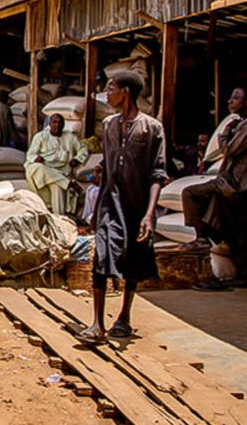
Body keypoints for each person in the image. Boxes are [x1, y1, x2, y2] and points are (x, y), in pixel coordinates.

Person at [77, 71, 167, 345]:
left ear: (126, 92)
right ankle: (96, 323)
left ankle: (124, 317)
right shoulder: (108, 125)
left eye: (111, 88)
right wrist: (95, 206)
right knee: (100, 258)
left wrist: (149, 215)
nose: (107, 93)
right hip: (109, 203)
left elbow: (158, 174)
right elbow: (106, 166)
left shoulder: (152, 128)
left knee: (133, 260)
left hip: (136, 204)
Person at [183, 87, 247, 291]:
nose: (230, 101)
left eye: (236, 98)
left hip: (235, 186)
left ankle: (200, 238)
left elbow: (227, 149)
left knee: (190, 193)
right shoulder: (240, 123)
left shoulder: (244, 126)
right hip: (228, 184)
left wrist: (226, 130)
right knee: (233, 231)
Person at [25, 113, 90, 215]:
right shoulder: (40, 137)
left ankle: (59, 218)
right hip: (43, 170)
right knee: (36, 167)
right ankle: (69, 184)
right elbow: (30, 154)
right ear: (50, 124)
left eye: (60, 123)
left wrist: (77, 159)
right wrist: (36, 158)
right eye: (54, 122)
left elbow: (83, 149)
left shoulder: (70, 137)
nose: (57, 125)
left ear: (63, 124)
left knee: (58, 186)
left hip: (61, 172)